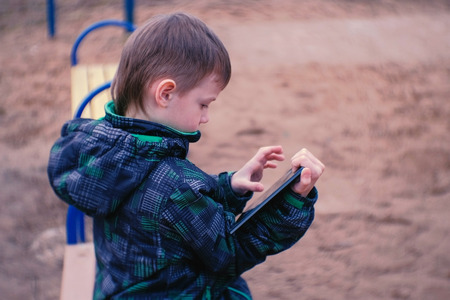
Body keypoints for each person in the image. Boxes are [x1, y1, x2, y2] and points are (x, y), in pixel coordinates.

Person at [48, 12, 325, 299]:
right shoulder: (172, 184)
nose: (206, 117)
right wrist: (292, 200)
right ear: (165, 93)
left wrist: (229, 187)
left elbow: (170, 215)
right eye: (204, 104)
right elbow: (229, 253)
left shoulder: (108, 150)